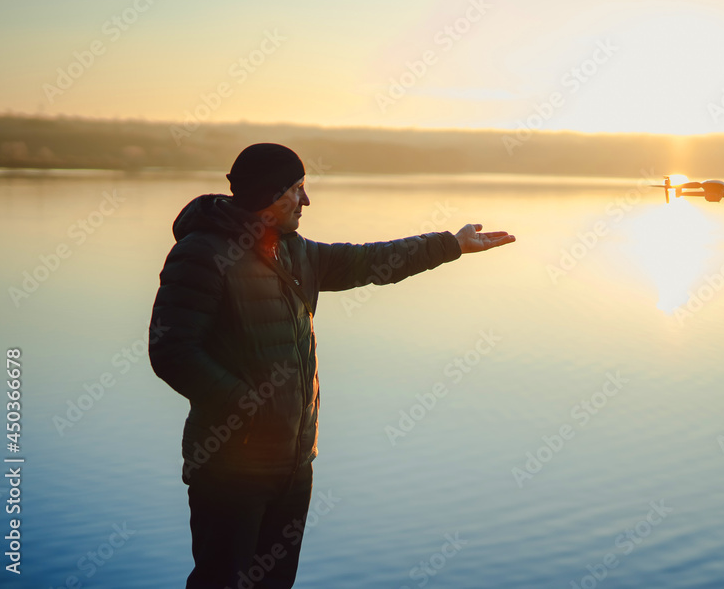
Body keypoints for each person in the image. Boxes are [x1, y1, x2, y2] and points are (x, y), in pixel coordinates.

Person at [148, 142, 514, 589]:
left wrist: (450, 245)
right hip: (230, 468)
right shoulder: (202, 253)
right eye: (298, 189)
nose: (306, 201)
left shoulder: (294, 251)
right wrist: (246, 407)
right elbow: (171, 351)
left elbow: (371, 261)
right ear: (269, 193)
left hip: (293, 466)